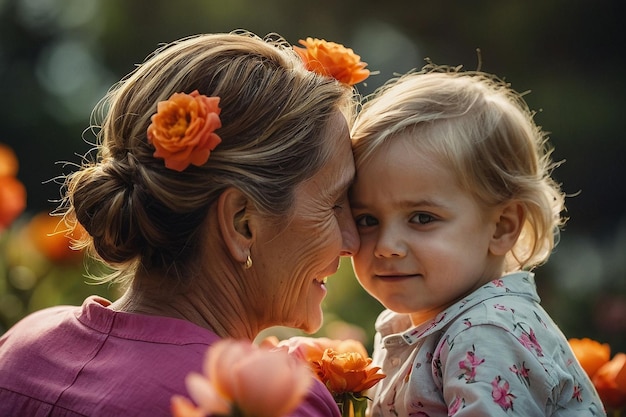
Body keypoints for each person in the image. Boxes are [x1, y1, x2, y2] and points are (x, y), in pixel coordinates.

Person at [0, 30, 366, 416]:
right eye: (334, 205)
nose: (353, 241)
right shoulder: (261, 405)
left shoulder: (20, 349)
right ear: (242, 223)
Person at [349, 65, 606, 416]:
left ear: (501, 227)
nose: (386, 245)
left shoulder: (487, 333)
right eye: (367, 220)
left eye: (422, 218)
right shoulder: (424, 323)